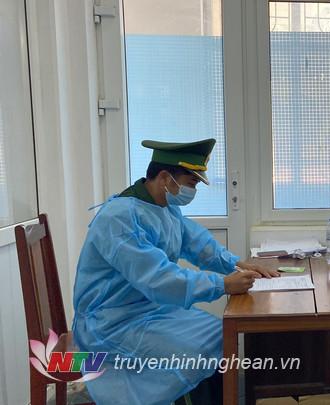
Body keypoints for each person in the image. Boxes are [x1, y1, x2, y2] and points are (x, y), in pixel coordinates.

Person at [72, 138, 279, 404]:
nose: (192, 191)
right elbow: (158, 278)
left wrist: (237, 264)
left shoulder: (165, 209)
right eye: (191, 183)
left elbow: (198, 244)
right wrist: (222, 285)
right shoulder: (119, 218)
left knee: (220, 332)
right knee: (192, 352)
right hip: (109, 323)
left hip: (149, 311)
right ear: (164, 178)